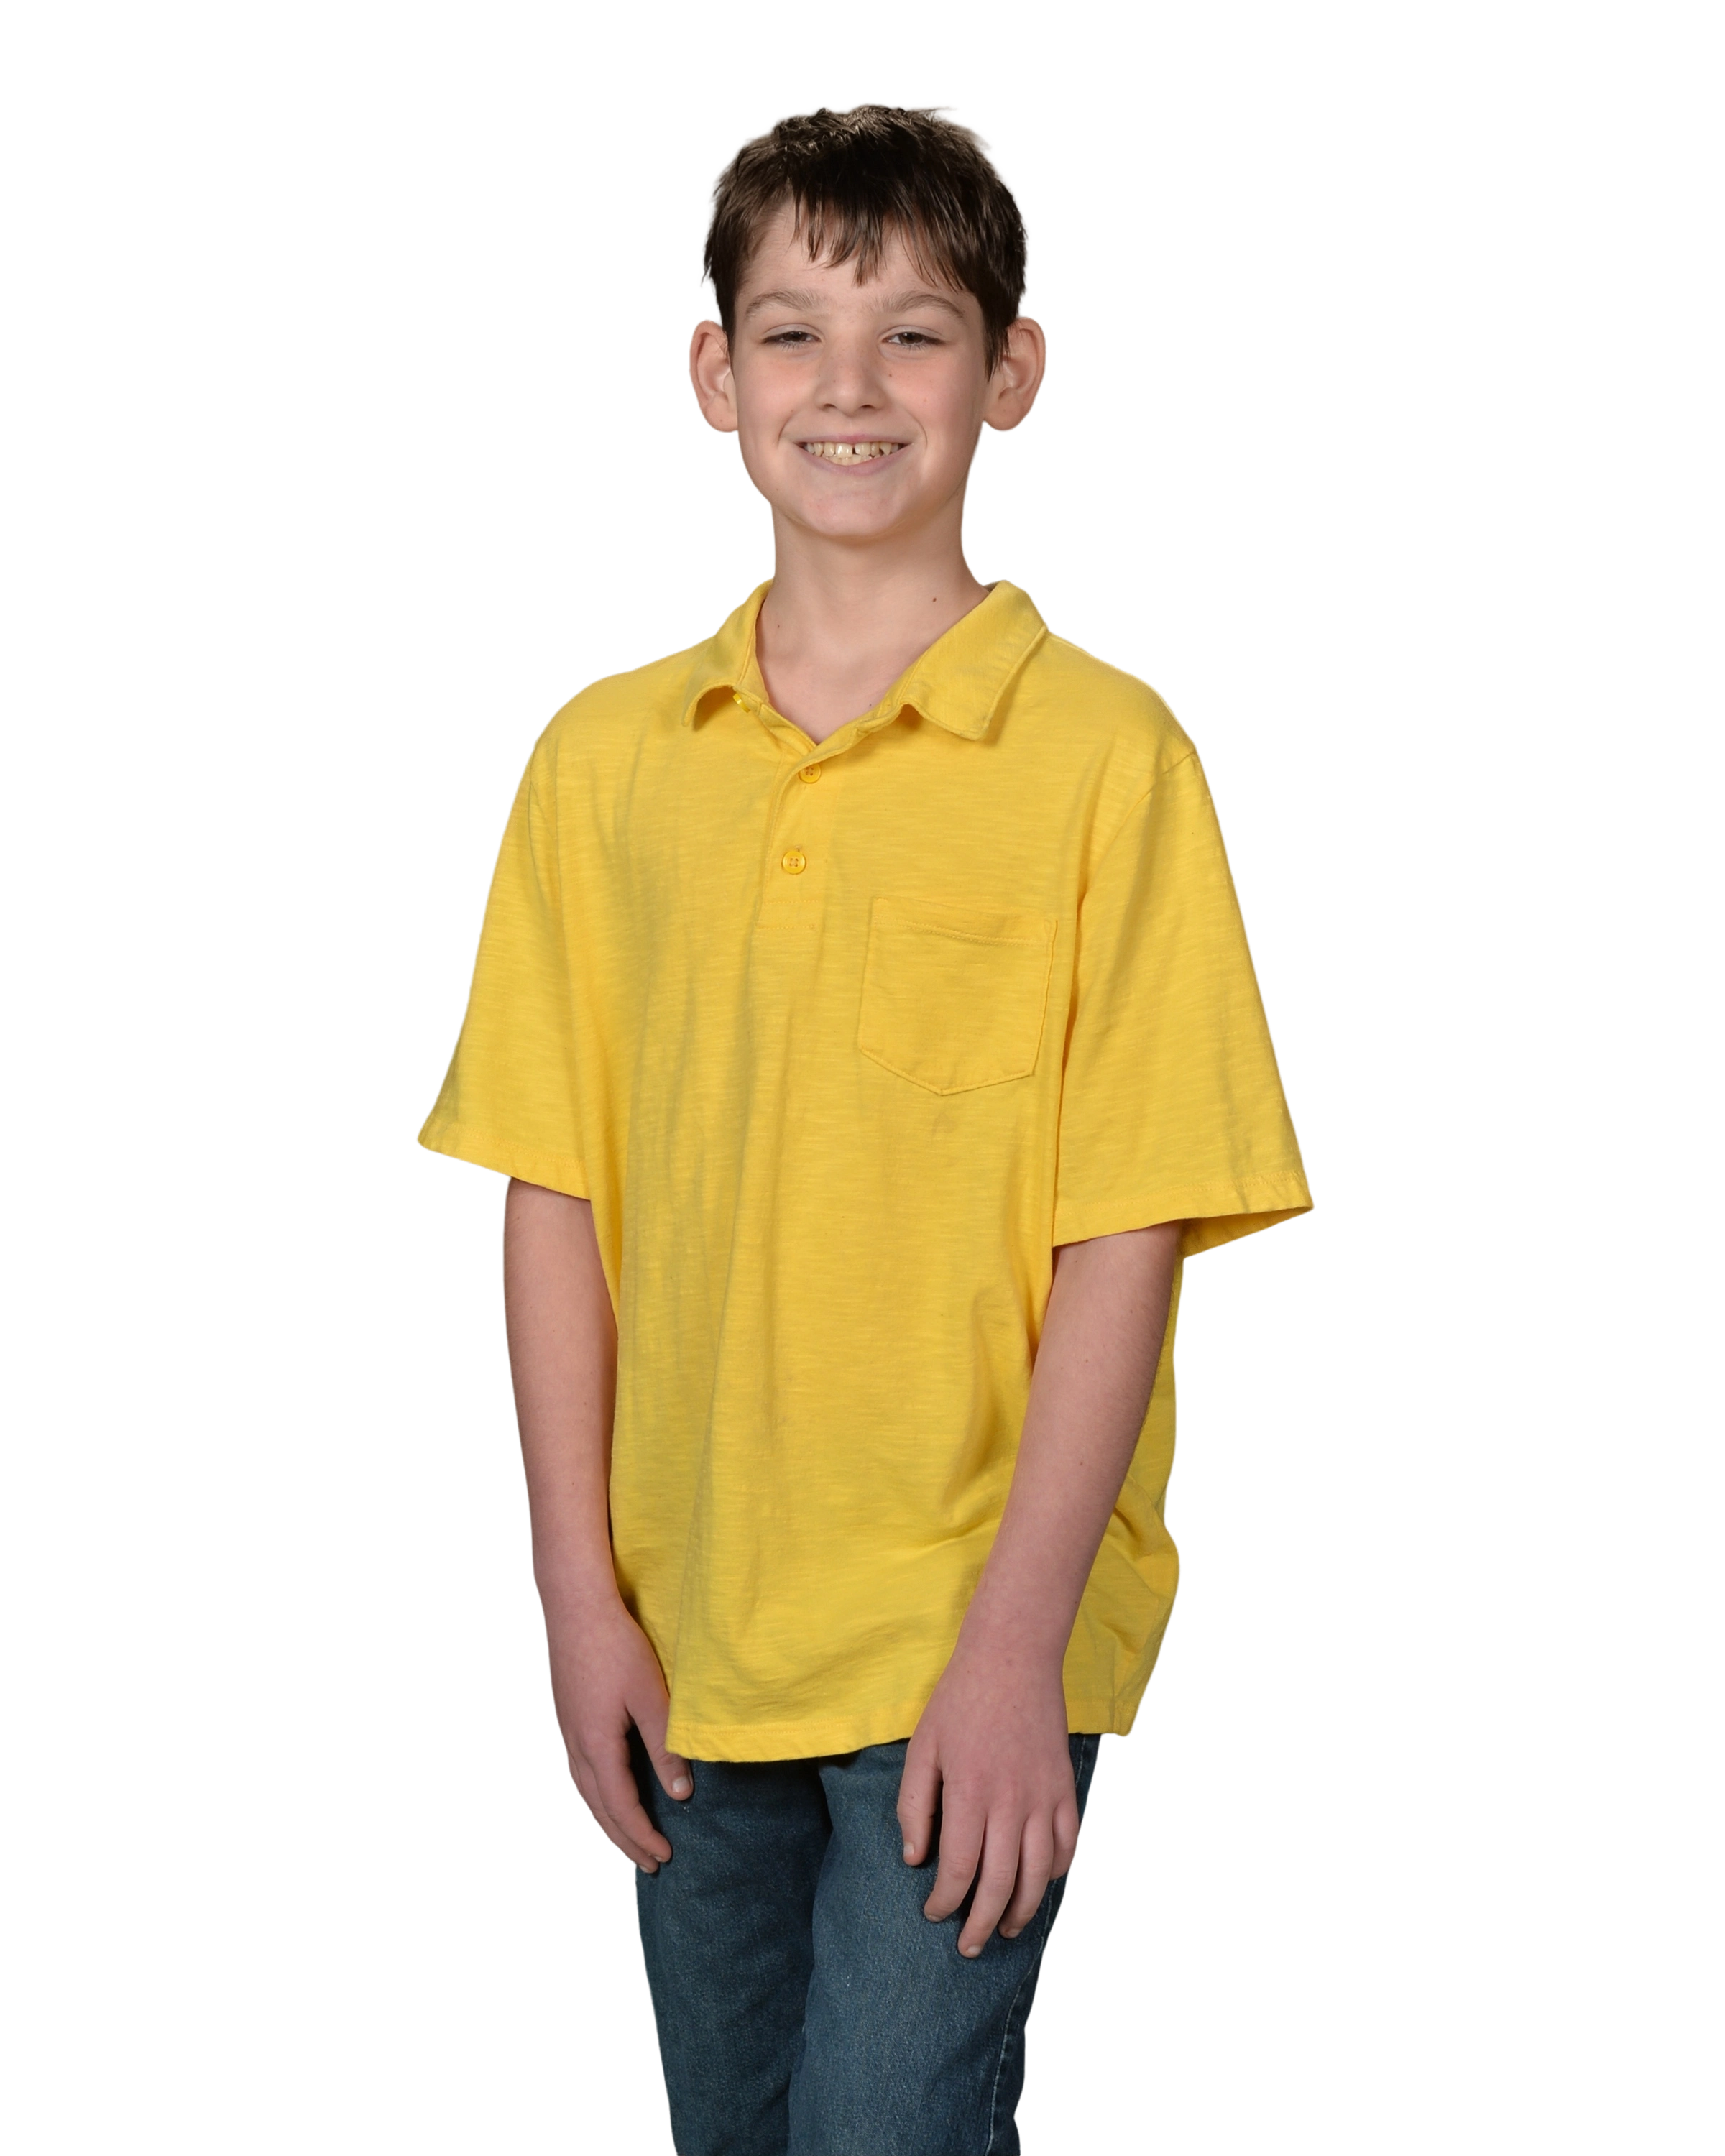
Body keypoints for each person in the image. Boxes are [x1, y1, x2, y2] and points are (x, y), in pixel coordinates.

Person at [414, 98, 1314, 2156]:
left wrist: (1017, 1650)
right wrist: (577, 1597)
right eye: (795, 331)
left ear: (1014, 373)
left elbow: (1129, 1226)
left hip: (966, 1631)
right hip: (687, 1627)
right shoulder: (600, 762)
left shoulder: (1107, 761)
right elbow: (553, 1192)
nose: (852, 386)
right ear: (712, 373)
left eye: (915, 333)